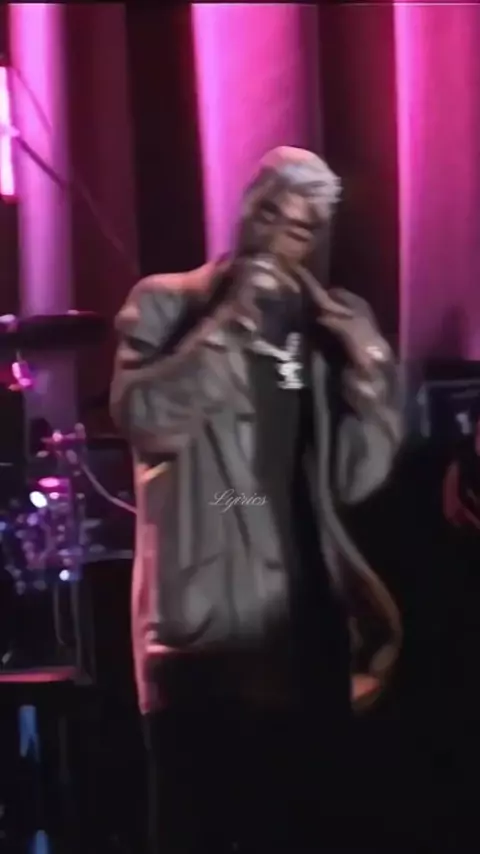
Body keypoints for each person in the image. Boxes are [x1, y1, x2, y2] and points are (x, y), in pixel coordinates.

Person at [110, 147, 403, 853]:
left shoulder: (328, 324)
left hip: (307, 635)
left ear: (316, 239)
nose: (275, 235)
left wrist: (370, 370)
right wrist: (233, 323)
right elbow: (146, 417)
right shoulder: (170, 303)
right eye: (266, 212)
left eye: (297, 227)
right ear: (244, 206)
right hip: (204, 638)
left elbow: (355, 477)